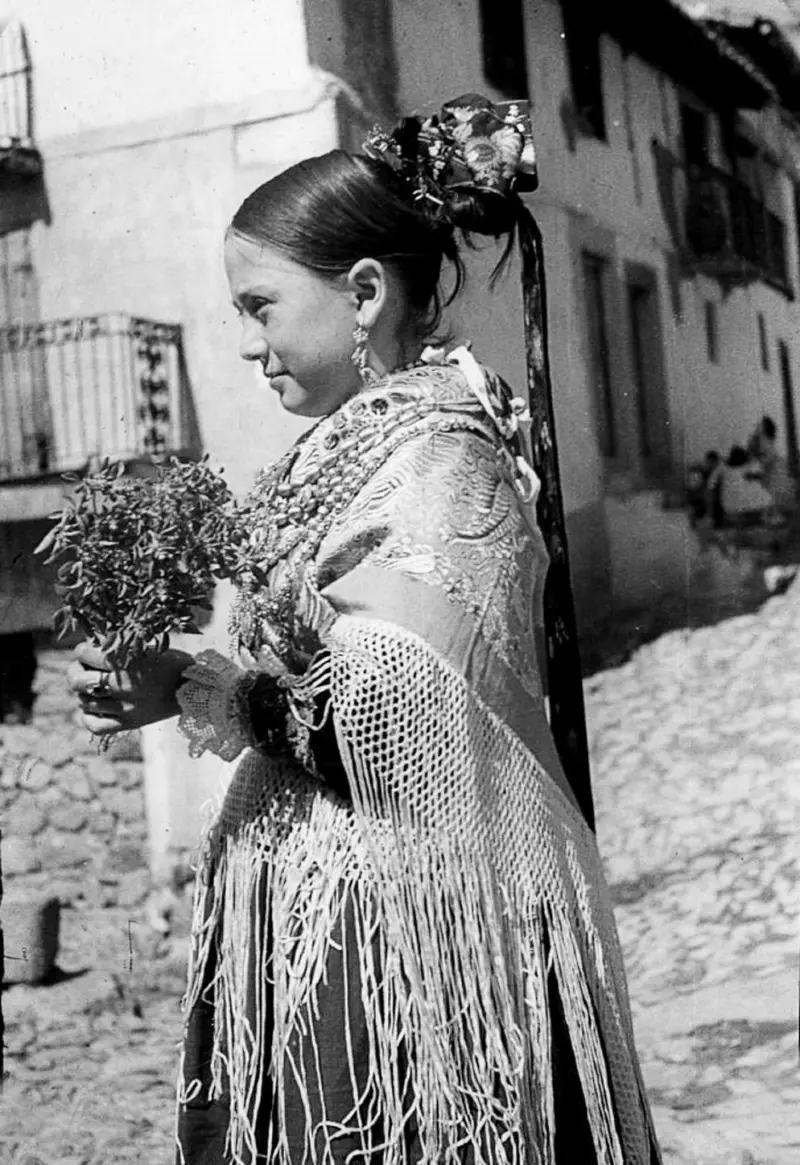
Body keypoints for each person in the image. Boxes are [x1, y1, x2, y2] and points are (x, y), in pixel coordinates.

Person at [67, 96, 661, 1165]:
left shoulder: (440, 460)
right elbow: (322, 677)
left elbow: (385, 714)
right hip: (326, 920)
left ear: (365, 294)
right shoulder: (349, 457)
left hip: (401, 955)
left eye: (259, 307)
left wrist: (216, 691)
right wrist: (179, 679)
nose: (245, 343)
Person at [747, 415, 796, 514]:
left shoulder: (767, 445)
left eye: (759, 427)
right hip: (777, 487)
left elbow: (767, 463)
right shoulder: (767, 445)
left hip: (779, 489)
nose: (756, 429)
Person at [719, 444, 776, 526]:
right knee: (767, 498)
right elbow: (763, 477)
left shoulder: (725, 469)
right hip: (750, 507)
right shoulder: (750, 467)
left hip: (730, 508)